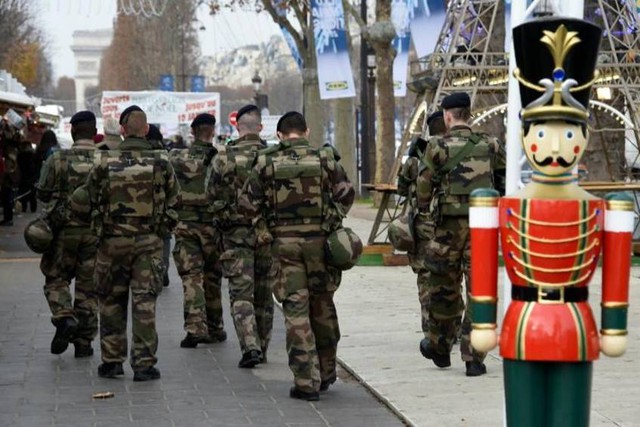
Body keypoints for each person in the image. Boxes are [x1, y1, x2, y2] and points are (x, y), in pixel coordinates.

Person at [470, 18, 632, 426]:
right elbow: (485, 266)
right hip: (521, 325)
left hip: (577, 328)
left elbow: (615, 270)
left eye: (567, 134)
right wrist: (483, 321)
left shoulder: (607, 208)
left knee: (570, 419)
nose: (556, 147)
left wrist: (615, 325)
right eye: (544, 134)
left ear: (584, 140)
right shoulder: (499, 205)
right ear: (526, 138)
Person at [239, 111, 355, 401]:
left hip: (284, 246)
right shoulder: (325, 158)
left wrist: (265, 231)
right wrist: (330, 223)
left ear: (279, 135)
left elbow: (246, 203)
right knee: (323, 306)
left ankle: (306, 381)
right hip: (321, 245)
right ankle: (327, 372)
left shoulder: (266, 161)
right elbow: (347, 193)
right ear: (306, 130)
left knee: (296, 311)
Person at [75, 107, 179, 381]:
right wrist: (161, 228)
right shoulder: (161, 162)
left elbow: (84, 199)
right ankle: (144, 364)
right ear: (145, 130)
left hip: (112, 243)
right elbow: (175, 201)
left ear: (122, 130)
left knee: (111, 300)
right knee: (144, 303)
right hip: (149, 243)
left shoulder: (104, 161)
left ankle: (112, 360)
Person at [416, 92, 505, 377]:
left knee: (443, 289)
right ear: (469, 113)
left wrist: (426, 217)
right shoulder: (490, 145)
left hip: (446, 231)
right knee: (480, 292)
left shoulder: (436, 147)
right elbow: (502, 184)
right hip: (483, 229)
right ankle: (474, 357)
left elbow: (423, 190)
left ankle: (441, 348)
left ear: (447, 116)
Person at [209, 104, 272, 368]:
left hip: (235, 235)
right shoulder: (272, 156)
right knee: (264, 293)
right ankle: (263, 346)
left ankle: (250, 346)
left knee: (241, 293)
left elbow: (210, 196)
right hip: (267, 236)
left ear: (237, 127)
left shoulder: (223, 157)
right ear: (260, 128)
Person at [35, 110, 101, 358]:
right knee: (88, 288)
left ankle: (64, 317)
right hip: (95, 234)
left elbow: (42, 192)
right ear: (95, 133)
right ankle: (84, 342)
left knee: (55, 278)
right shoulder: (104, 160)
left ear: (73, 131)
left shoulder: (58, 159)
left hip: (62, 232)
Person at [397, 110, 456, 349]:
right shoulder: (454, 152)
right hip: (449, 224)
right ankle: (454, 326)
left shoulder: (416, 158)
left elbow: (401, 189)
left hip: (422, 226)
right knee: (452, 277)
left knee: (425, 277)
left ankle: (428, 327)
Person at [169, 113, 226, 348]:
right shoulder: (221, 160)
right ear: (212, 131)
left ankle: (195, 328)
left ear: (192, 132)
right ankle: (215, 327)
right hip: (214, 226)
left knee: (192, 277)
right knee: (213, 277)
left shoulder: (176, 157)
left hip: (185, 226)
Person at [146, 124, 172, 288]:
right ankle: (163, 271)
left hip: (144, 208)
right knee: (165, 240)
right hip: (163, 208)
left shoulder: (141, 156)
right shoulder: (166, 157)